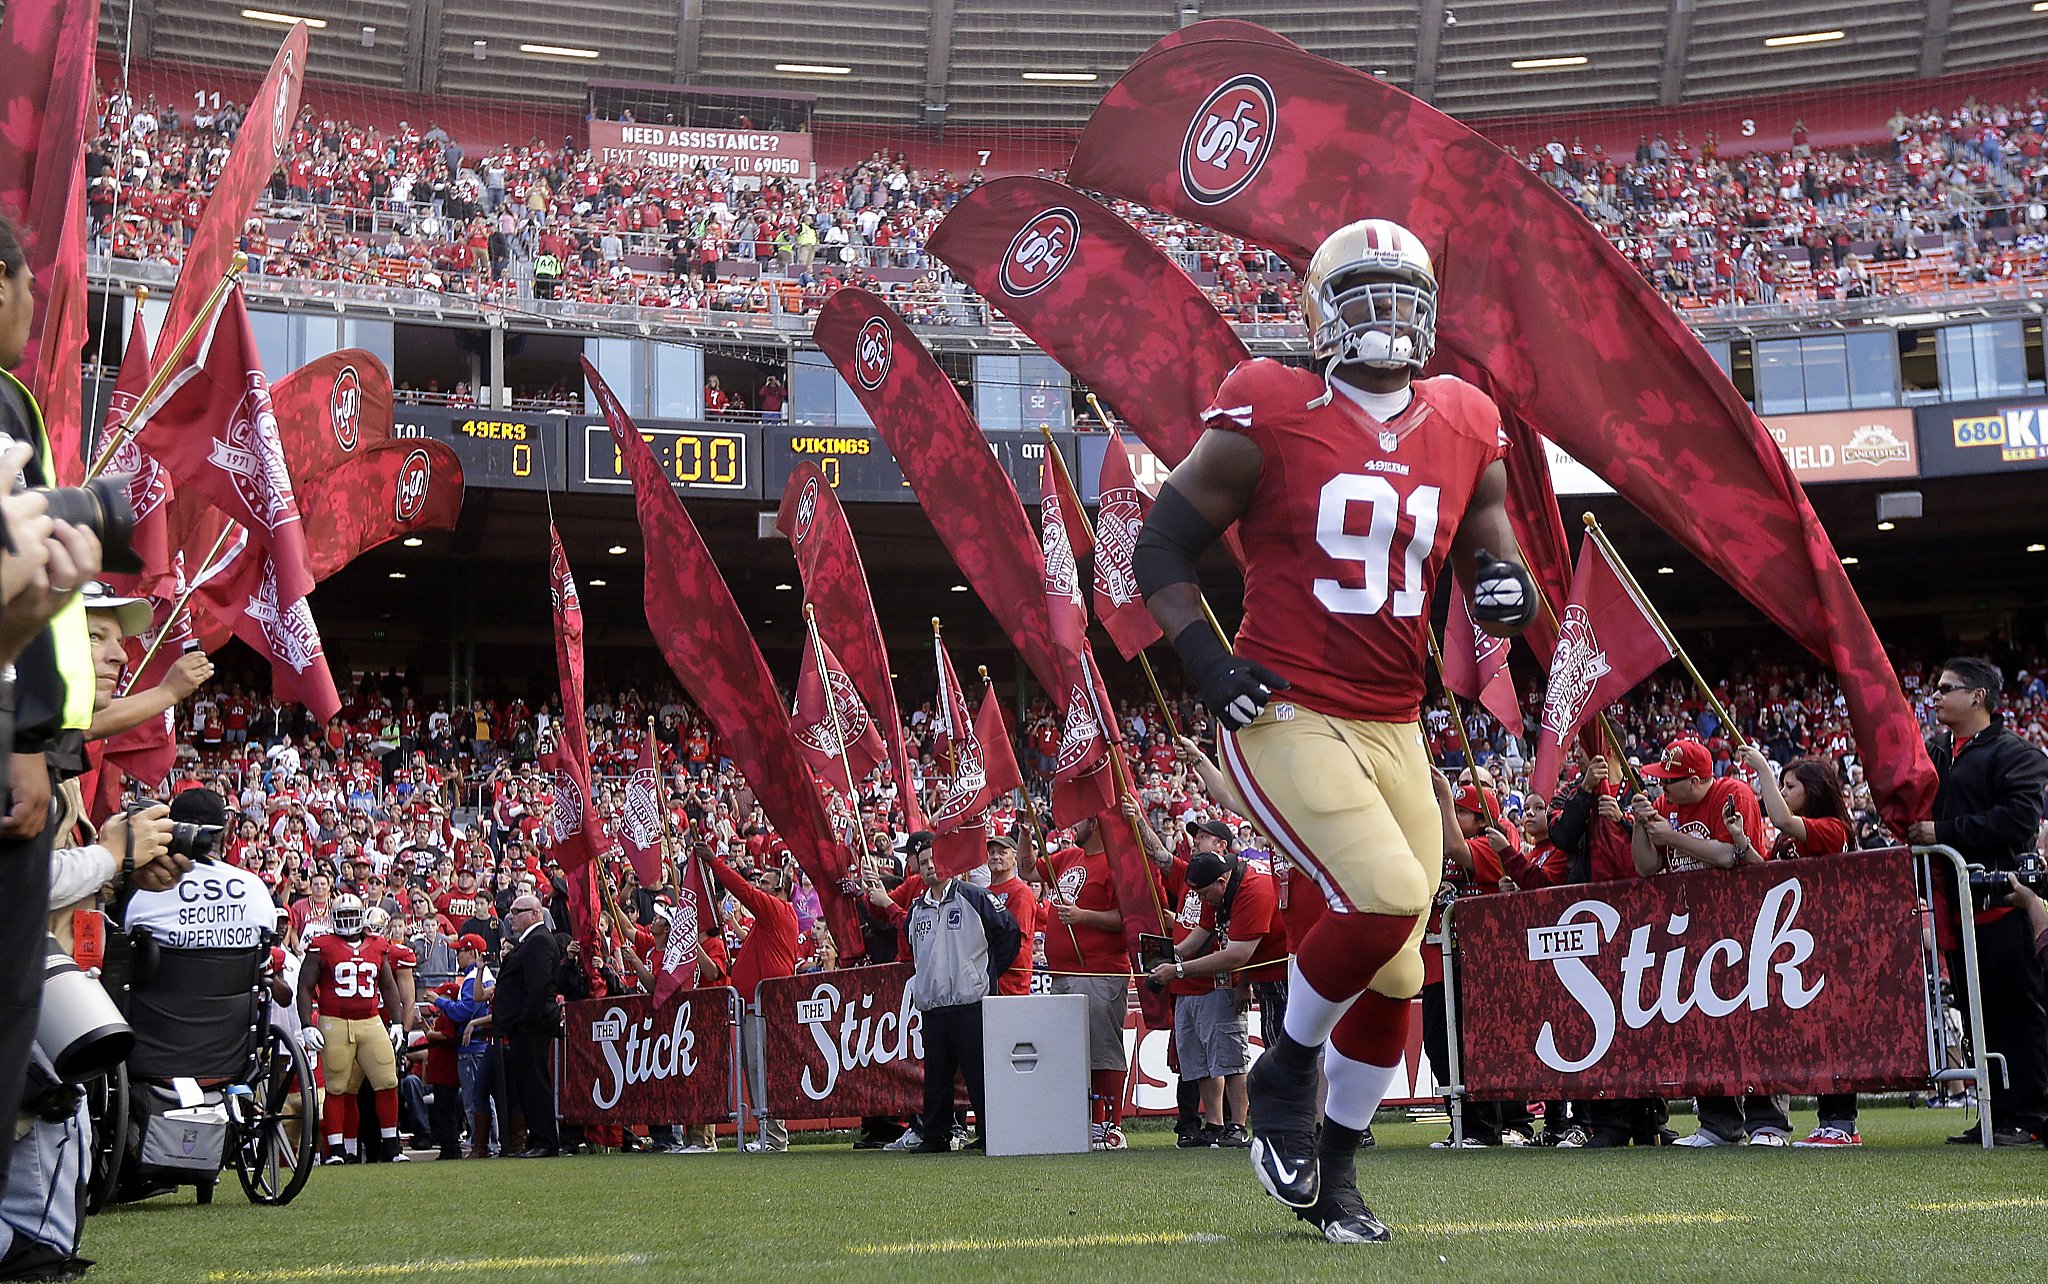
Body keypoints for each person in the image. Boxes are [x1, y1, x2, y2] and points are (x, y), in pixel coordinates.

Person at [1136, 218, 1534, 1242]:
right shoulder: (1267, 403)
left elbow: (1493, 549)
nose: (1384, 314)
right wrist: (1203, 659)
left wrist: (1502, 590)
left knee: (1401, 965)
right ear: (1318, 311)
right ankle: (1283, 1072)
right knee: (1394, 891)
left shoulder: (1463, 416)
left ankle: (1339, 1173)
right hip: (1284, 708)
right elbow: (1162, 542)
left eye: (1402, 292)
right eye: (1360, 292)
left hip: (1394, 720)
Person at [0, 210, 107, 1181]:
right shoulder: (4, 405)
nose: (36, 308)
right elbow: (17, 578)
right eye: (27, 287)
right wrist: (29, 737)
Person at [1906, 658, 2048, 1146]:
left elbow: (2017, 822)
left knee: (2016, 1011)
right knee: (1975, 1013)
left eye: (1947, 689)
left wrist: (1943, 833)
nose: (1936, 697)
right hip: (1958, 910)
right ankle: (1995, 1111)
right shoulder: (1938, 754)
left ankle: (2029, 1115)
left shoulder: (2017, 754)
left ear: (1978, 696)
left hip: (2003, 905)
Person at [1628, 739, 1788, 1147]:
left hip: (1744, 926)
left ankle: (1768, 1122)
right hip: (1693, 932)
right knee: (1703, 1028)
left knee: (1754, 1025)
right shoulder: (1667, 807)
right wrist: (1641, 828)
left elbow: (1729, 856)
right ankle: (1718, 1124)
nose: (1663, 789)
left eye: (1671, 781)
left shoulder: (1731, 793)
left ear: (1697, 780)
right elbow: (1647, 868)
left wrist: (1672, 836)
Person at [1735, 743, 1861, 1146]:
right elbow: (1771, 875)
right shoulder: (1792, 835)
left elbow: (1785, 821)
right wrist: (1742, 842)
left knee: (1833, 1033)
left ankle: (1841, 1124)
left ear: (1814, 790)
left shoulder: (1831, 828)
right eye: (1782, 785)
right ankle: (1828, 1122)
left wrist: (1763, 771)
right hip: (1795, 949)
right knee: (1810, 1034)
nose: (1784, 792)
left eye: (1791, 786)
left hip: (1828, 944)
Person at [1148, 833, 1287, 1150]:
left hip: (1277, 973)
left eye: (1204, 893)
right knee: (1202, 1061)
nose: (1200, 899)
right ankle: (1216, 1124)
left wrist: (1178, 969)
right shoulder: (1215, 889)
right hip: (1245, 977)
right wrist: (1169, 959)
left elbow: (1237, 954)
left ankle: (1245, 1125)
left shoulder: (1253, 889)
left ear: (1222, 882)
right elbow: (1201, 934)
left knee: (1238, 1057)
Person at [902, 835, 1019, 1153]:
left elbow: (1009, 932)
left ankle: (989, 1133)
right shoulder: (916, 910)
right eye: (923, 863)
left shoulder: (973, 897)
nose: (929, 867)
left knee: (978, 1073)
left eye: (934, 861)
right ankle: (935, 1135)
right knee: (936, 1076)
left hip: (970, 1002)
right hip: (934, 1004)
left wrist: (987, 972)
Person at [1040, 816, 1134, 1151]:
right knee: (1070, 1054)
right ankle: (1084, 1122)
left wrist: (1084, 916)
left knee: (1103, 1049)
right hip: (1063, 973)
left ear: (1094, 823)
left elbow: (1130, 919)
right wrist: (1024, 835)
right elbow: (1027, 869)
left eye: (1078, 820)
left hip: (1099, 970)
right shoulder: (1068, 858)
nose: (1071, 825)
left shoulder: (1116, 862)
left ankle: (1110, 1125)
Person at [299, 893, 408, 1163]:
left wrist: (396, 1022)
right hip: (334, 1020)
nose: (348, 921)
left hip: (370, 1020)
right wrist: (305, 1025)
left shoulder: (378, 944)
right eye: (342, 916)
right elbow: (304, 987)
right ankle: (336, 1149)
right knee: (336, 1086)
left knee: (387, 1080)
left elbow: (388, 987)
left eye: (352, 916)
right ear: (333, 919)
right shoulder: (321, 945)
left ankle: (391, 1145)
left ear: (361, 917)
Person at [707, 847, 798, 1152]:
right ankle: (766, 1135)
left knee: (762, 1072)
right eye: (759, 883)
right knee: (754, 1071)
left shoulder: (778, 911)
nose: (759, 888)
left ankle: (774, 1137)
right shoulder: (764, 923)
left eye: (766, 884)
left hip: (764, 1008)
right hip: (751, 1007)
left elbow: (743, 891)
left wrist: (714, 862)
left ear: (781, 890)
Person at [491, 893, 562, 1157]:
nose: (511, 916)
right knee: (527, 1084)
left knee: (535, 1083)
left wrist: (523, 1021)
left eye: (517, 910)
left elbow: (538, 986)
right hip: (525, 1025)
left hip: (532, 1026)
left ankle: (545, 1140)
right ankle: (538, 1137)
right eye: (510, 910)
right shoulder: (530, 941)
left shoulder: (539, 941)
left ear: (535, 913)